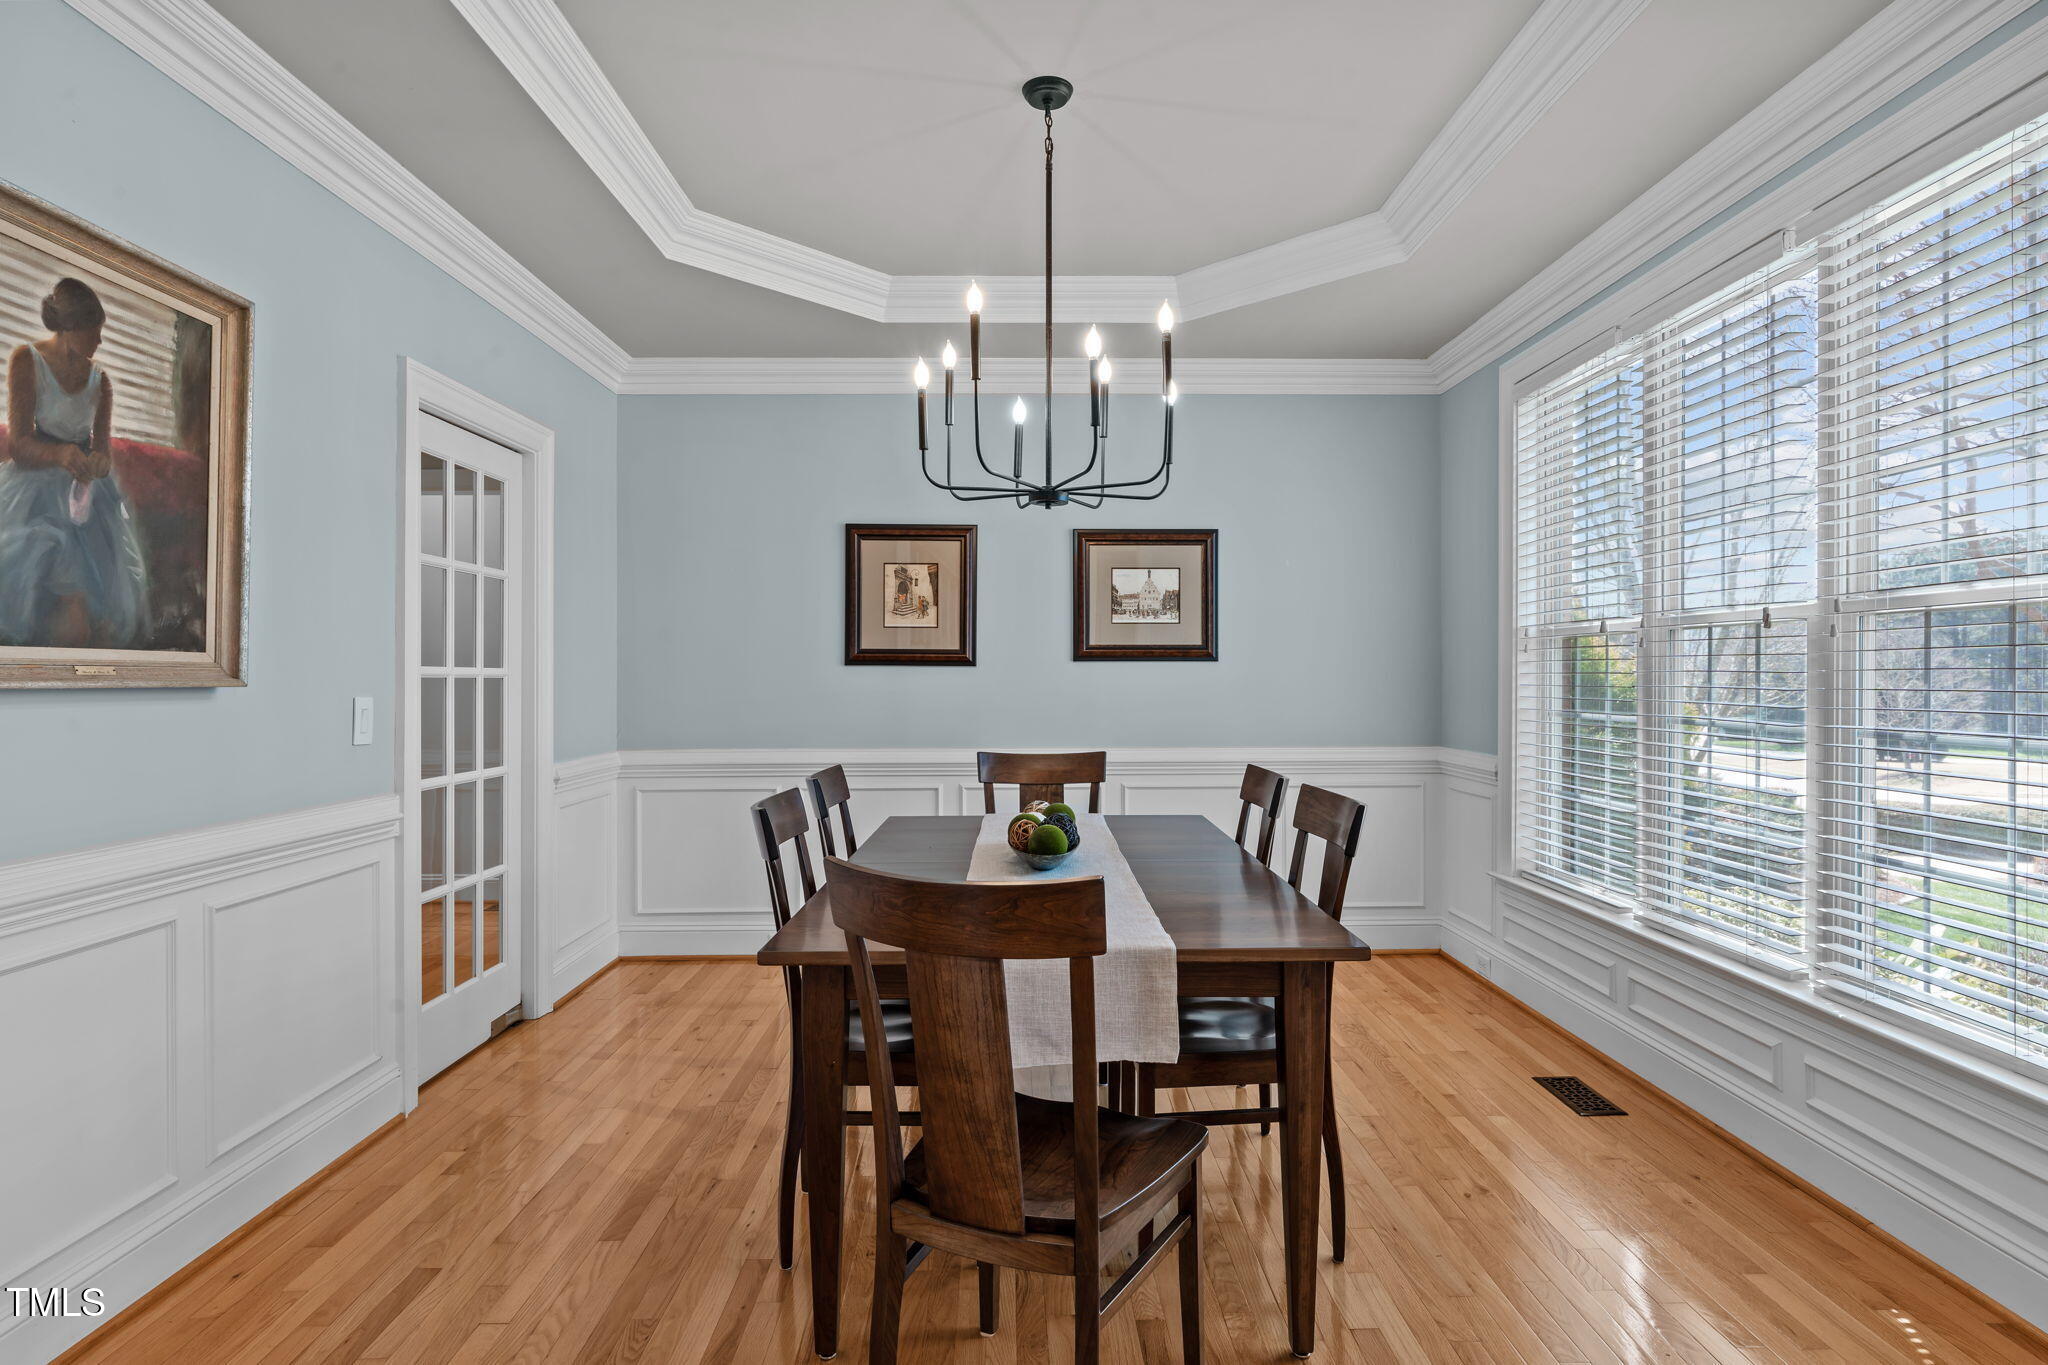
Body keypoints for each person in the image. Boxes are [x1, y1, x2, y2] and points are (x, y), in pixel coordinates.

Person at [0, 277, 148, 647]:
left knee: (102, 589)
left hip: (86, 495)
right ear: (70, 328)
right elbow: (18, 444)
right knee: (42, 558)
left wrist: (97, 464)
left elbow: (103, 453)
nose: (99, 342)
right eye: (93, 332)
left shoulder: (102, 381)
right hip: (33, 487)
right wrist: (60, 455)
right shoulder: (27, 360)